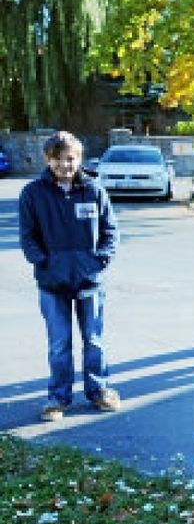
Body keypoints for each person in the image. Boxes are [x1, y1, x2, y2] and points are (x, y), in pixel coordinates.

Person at [19, 131, 121, 421]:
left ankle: (99, 391)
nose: (65, 165)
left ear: (79, 159)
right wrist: (45, 263)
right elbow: (28, 238)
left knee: (94, 340)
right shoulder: (33, 193)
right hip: (52, 284)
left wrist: (98, 261)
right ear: (48, 159)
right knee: (59, 344)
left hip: (90, 282)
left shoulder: (94, 190)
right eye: (58, 159)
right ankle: (58, 398)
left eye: (71, 159)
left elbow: (110, 232)